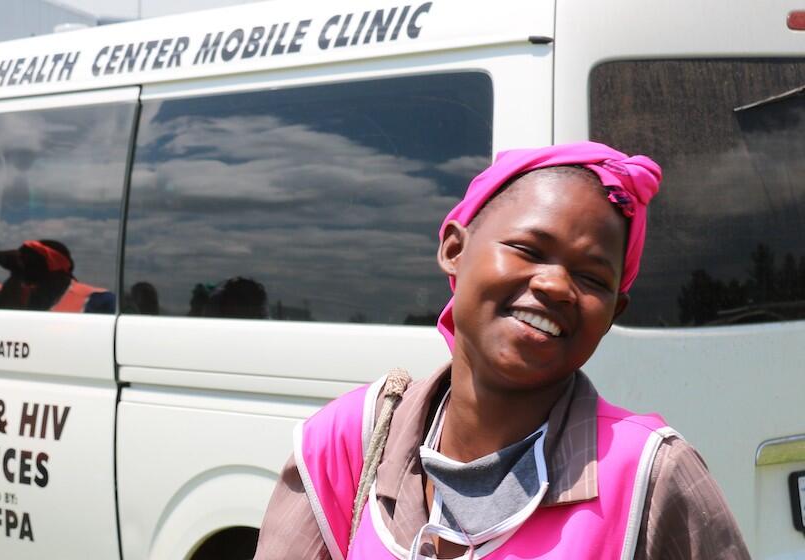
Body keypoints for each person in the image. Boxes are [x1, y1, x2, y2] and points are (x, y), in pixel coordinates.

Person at [255, 142, 749, 559]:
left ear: (613, 312)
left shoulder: (650, 475)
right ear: (454, 249)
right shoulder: (353, 443)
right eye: (529, 250)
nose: (556, 285)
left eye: (591, 278)